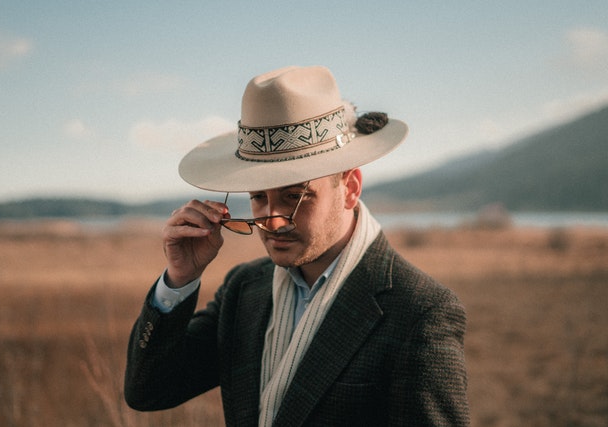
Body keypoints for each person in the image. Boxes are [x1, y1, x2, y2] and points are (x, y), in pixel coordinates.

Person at [124, 65, 469, 426]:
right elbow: (149, 391)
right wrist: (180, 279)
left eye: (295, 196)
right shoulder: (244, 289)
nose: (272, 221)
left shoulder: (420, 312)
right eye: (258, 196)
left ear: (350, 187)